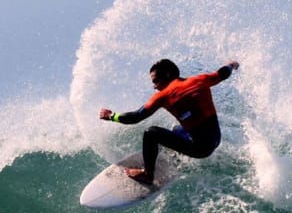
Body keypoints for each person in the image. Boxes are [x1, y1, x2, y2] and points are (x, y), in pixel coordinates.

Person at [99, 59, 239, 184]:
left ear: (166, 76)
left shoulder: (162, 96)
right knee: (177, 129)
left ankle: (147, 174)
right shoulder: (200, 80)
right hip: (215, 140)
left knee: (151, 133)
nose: (154, 87)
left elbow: (135, 117)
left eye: (155, 81)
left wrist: (112, 116)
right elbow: (223, 73)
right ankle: (176, 155)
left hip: (200, 150)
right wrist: (231, 65)